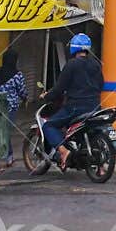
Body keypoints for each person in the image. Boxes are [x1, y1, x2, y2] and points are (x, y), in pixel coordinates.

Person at [43, 33, 102, 168]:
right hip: (95, 107)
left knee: (49, 126)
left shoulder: (71, 65)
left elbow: (59, 88)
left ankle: (63, 151)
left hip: (76, 107)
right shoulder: (96, 64)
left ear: (73, 48)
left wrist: (47, 96)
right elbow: (101, 84)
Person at [0, 49, 27, 169]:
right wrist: (25, 99)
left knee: (2, 132)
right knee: (3, 134)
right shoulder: (17, 75)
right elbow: (22, 91)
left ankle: (10, 157)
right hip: (10, 108)